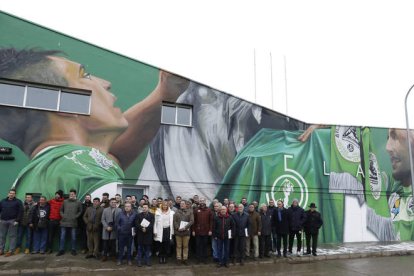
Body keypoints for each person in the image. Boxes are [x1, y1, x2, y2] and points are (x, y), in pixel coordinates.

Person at [0, 48, 189, 200]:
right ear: (65, 102)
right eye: (85, 75)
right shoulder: (78, 170)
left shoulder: (51, 169)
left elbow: (112, 157)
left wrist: (166, 93)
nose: (106, 83)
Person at [56, 189, 82, 256]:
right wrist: (63, 216)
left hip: (73, 222)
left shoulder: (78, 202)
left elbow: (80, 211)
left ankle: (73, 250)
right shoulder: (65, 201)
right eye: (70, 194)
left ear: (75, 194)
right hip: (64, 222)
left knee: (73, 237)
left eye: (73, 194)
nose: (71, 195)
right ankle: (61, 250)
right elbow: (61, 210)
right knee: (62, 237)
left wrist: (75, 216)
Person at [0, 189, 23, 256]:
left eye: (13, 193)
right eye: (10, 193)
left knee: (12, 236)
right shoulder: (3, 201)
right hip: (3, 221)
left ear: (15, 194)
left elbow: (20, 212)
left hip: (13, 221)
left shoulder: (18, 202)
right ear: (8, 194)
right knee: (2, 236)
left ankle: (11, 251)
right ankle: (1, 250)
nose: (11, 194)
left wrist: (17, 220)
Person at [192, 197, 213, 264]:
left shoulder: (209, 210)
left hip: (206, 232)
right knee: (198, 245)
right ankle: (198, 259)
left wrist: (210, 230)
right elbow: (193, 221)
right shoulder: (196, 210)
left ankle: (204, 259)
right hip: (198, 232)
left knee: (204, 245)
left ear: (205, 201)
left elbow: (211, 221)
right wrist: (193, 230)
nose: (202, 202)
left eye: (203, 201)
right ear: (199, 202)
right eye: (201, 201)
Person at [173, 200, 194, 265]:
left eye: (183, 204)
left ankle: (185, 259)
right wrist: (177, 228)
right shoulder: (176, 212)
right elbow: (174, 221)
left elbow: (191, 221)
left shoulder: (190, 212)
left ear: (186, 205)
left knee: (185, 246)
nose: (181, 205)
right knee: (178, 246)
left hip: (186, 232)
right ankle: (179, 259)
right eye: (181, 204)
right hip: (178, 232)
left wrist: (185, 227)